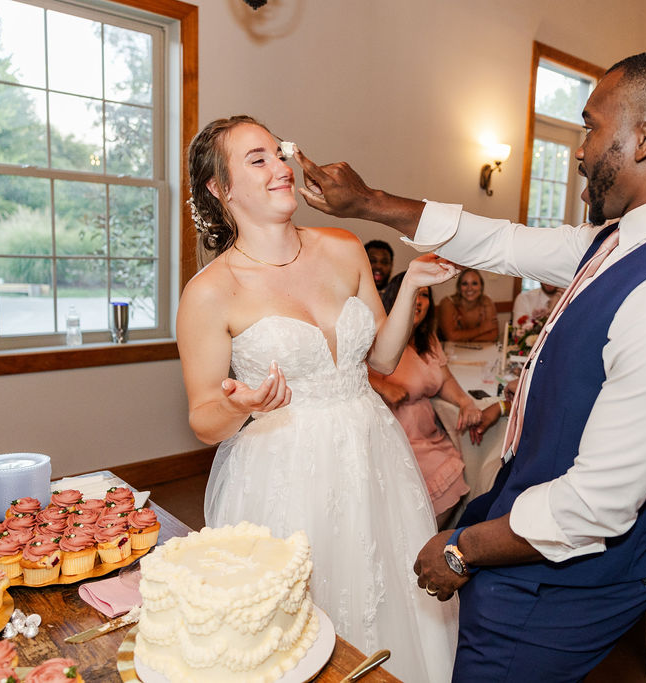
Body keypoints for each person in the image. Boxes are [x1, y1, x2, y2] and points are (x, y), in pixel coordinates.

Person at [292, 47, 646, 681]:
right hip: (530, 529)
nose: (581, 151)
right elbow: (501, 241)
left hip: (572, 573)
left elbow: (595, 507)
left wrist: (459, 550)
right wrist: (369, 202)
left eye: (590, 126)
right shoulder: (622, 237)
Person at [175, 116, 458, 682]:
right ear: (220, 188)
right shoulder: (211, 291)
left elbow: (378, 360)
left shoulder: (343, 246)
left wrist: (412, 290)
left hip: (372, 448)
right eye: (258, 160)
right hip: (285, 466)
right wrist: (241, 404)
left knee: (388, 592)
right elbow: (205, 419)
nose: (282, 167)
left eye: (280, 153)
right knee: (299, 619)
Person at [371, 273, 479, 527]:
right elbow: (347, 371)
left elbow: (445, 380)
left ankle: (425, 543)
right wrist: (383, 385)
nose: (418, 301)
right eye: (411, 294)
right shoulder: (376, 334)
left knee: (455, 471)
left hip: (427, 434)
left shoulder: (427, 339)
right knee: (422, 488)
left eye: (425, 295)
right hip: (396, 435)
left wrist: (465, 402)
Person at [437, 269, 500, 342]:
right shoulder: (448, 303)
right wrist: (482, 329)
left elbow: (493, 334)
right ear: (459, 287)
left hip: (479, 350)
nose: (469, 288)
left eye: (474, 283)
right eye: (465, 284)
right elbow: (451, 337)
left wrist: (465, 339)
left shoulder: (487, 301)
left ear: (481, 286)